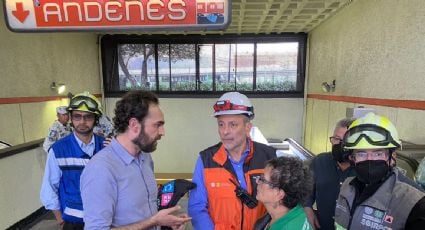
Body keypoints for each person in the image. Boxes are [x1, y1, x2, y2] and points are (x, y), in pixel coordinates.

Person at [80, 91, 191, 229]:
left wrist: (166, 222)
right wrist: (154, 221)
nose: (163, 132)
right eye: (157, 125)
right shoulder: (101, 169)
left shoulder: (145, 158)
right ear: (134, 125)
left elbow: (147, 211)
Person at [188, 91, 277, 230]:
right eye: (221, 124)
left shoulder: (268, 157)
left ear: (248, 127)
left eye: (233, 125)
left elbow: (281, 203)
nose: (225, 131)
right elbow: (197, 208)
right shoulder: (206, 160)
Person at [334, 113, 425, 230]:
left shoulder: (414, 204)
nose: (370, 159)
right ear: (352, 158)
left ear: (393, 157)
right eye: (361, 153)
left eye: (378, 153)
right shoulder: (346, 187)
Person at [40, 92, 105, 229]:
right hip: (73, 222)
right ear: (70, 118)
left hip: (104, 219)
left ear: (96, 119)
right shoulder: (58, 150)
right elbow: (49, 187)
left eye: (88, 117)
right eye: (77, 116)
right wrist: (60, 218)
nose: (82, 122)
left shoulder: (106, 147)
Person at [304, 118, 356, 230]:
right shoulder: (319, 161)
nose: (339, 145)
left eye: (345, 141)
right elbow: (306, 191)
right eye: (336, 139)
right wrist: (308, 209)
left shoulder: (362, 168)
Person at [254, 156, 313, 230]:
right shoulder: (297, 213)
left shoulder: (289, 227)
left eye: (262, 179)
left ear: (279, 194)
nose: (257, 181)